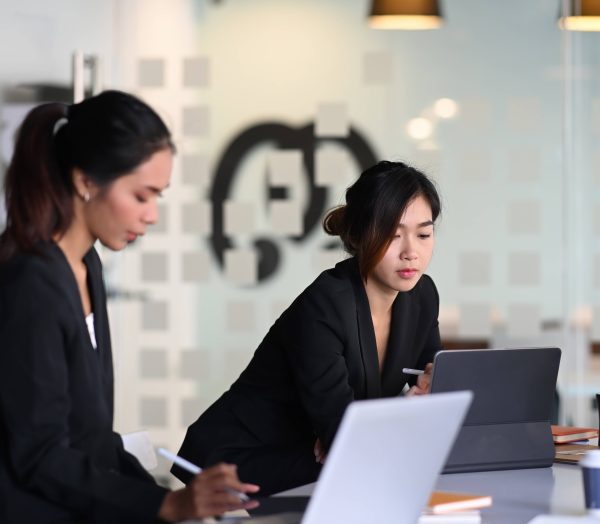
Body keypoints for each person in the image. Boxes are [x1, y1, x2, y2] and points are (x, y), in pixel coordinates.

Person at [0, 90, 259, 523]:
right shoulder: (30, 285)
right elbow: (39, 455)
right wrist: (166, 505)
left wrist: (178, 499)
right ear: (85, 182)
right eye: (142, 196)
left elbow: (93, 441)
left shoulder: (87, 265)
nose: (152, 215)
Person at [174, 160, 442, 496]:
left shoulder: (423, 296)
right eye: (392, 234)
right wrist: (394, 415)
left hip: (321, 458)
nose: (411, 252)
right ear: (359, 236)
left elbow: (436, 386)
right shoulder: (326, 304)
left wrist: (412, 405)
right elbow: (344, 433)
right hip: (244, 456)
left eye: (423, 234)